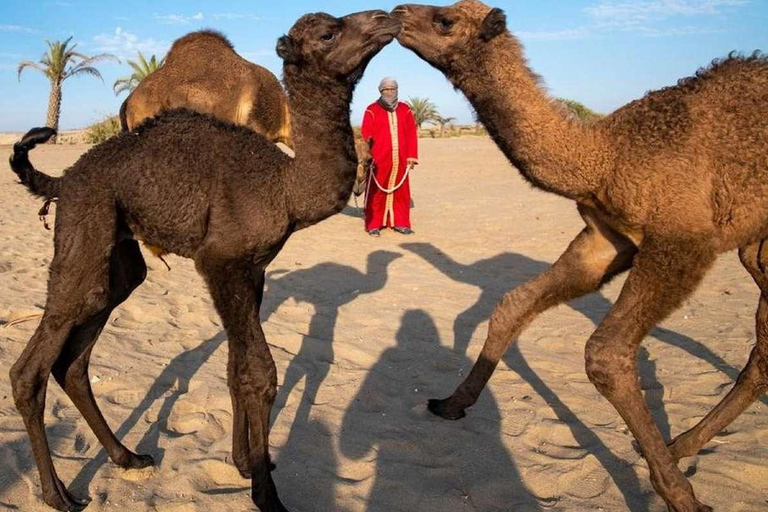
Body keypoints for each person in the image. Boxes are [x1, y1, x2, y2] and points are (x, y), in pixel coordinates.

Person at [361, 77, 419, 236]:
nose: (389, 92)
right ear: (380, 91)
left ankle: (401, 223)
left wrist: (411, 156)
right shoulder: (372, 109)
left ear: (397, 90)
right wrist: (368, 157)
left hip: (401, 158)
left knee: (401, 192)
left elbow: (411, 134)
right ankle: (374, 224)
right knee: (375, 192)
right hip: (378, 160)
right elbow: (366, 134)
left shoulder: (404, 109)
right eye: (385, 89)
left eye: (392, 89)